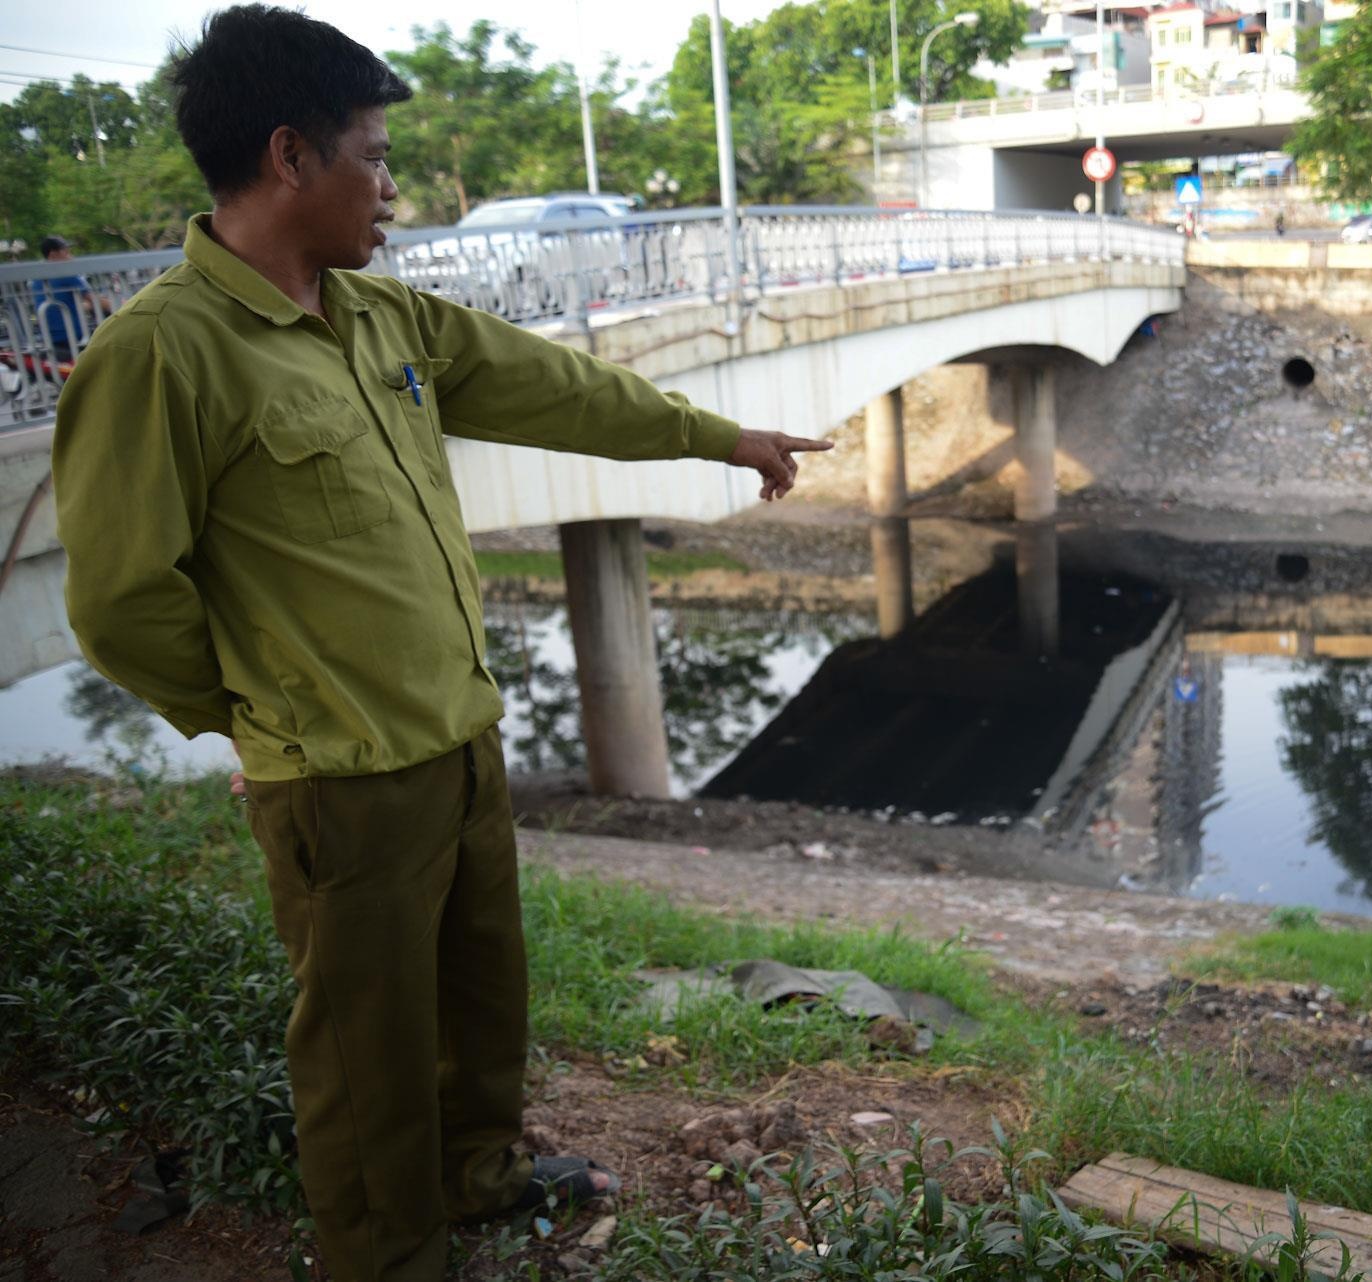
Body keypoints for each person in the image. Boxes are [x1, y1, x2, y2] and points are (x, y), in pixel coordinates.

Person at [50, 7, 829, 1282]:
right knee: (364, 1053)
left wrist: (715, 435)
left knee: (481, 998)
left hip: (460, 743)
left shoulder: (380, 318)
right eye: (373, 152)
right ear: (290, 156)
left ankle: (483, 1177)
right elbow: (124, 603)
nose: (393, 183)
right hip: (341, 780)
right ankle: (388, 1254)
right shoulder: (163, 355)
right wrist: (258, 722)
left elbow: (554, 386)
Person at [30, 234, 109, 359]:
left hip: (49, 338)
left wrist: (88, 306)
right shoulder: (65, 272)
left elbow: (64, 304)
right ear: (53, 255)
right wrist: (123, 304)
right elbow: (95, 300)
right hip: (73, 337)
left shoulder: (37, 278)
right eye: (66, 252)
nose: (71, 256)